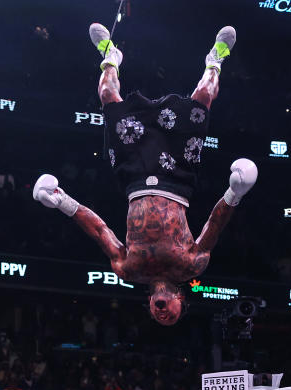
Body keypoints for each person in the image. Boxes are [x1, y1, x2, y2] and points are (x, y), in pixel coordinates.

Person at [34, 24, 258, 325]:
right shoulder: (193, 265)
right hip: (176, 177)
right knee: (202, 98)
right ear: (181, 301)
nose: (162, 314)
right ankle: (216, 58)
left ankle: (110, 56)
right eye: (170, 317)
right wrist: (235, 193)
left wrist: (62, 201)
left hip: (134, 176)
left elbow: (100, 231)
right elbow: (214, 225)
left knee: (106, 96)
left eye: (157, 316)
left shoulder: (127, 269)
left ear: (150, 305)